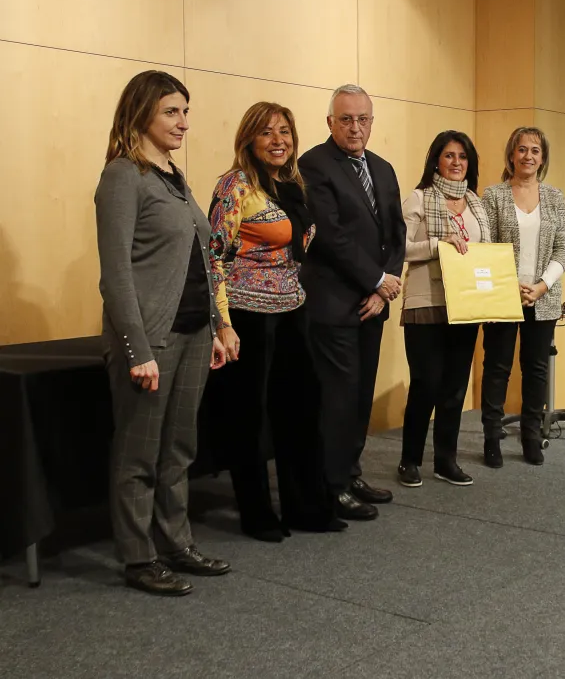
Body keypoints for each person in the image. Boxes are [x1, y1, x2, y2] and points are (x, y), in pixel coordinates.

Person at [94, 70, 230, 596]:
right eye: (171, 111)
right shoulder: (123, 176)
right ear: (141, 114)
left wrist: (218, 326)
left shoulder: (172, 175)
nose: (183, 122)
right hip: (151, 340)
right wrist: (136, 349)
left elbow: (200, 256)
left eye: (186, 112)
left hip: (194, 333)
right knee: (138, 454)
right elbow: (116, 275)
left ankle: (176, 543)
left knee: (178, 449)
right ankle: (138, 557)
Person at [205, 102, 343, 542]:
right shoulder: (234, 186)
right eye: (267, 133)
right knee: (249, 418)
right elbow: (214, 259)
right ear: (249, 139)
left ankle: (307, 507)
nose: (278, 140)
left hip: (292, 308)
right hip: (246, 314)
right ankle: (257, 513)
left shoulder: (291, 183)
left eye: (284, 131)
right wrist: (222, 323)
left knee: (303, 410)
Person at [298, 84, 405, 520]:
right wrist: (377, 280)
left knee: (361, 394)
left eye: (363, 119)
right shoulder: (313, 165)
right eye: (346, 119)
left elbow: (395, 232)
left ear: (372, 122)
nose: (355, 127)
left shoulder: (382, 167)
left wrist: (385, 286)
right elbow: (331, 235)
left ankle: (351, 469)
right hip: (333, 303)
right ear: (330, 123)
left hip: (372, 303)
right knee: (338, 398)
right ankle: (333, 483)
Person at [397, 131, 491, 488]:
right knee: (425, 383)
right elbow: (400, 249)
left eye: (462, 157)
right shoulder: (419, 199)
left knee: (454, 387)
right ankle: (409, 460)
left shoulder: (476, 204)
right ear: (436, 160)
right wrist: (439, 245)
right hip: (426, 303)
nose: (456, 163)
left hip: (466, 305)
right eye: (449, 156)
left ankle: (445, 461)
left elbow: (483, 252)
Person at [480, 127, 565, 467]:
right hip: (502, 296)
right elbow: (485, 247)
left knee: (535, 371)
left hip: (543, 297)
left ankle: (532, 436)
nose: (528, 156)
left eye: (535, 150)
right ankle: (492, 437)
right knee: (497, 368)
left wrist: (542, 286)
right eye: (522, 149)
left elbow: (564, 249)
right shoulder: (493, 196)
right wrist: (509, 285)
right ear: (511, 155)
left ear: (543, 157)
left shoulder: (556, 198)